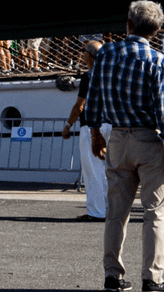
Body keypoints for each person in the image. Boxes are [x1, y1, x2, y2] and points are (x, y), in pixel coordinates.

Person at [84, 0, 164, 292]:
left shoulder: (107, 53)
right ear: (157, 30)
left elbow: (94, 96)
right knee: (154, 211)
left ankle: (112, 276)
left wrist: (95, 134)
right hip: (149, 139)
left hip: (117, 138)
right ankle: (152, 279)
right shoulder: (157, 59)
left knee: (116, 211)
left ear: (128, 23)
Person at [62, 40, 110, 220]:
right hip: (112, 125)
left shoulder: (88, 76)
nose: (82, 55)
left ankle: (97, 212)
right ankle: (109, 209)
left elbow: (79, 107)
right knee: (107, 170)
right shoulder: (110, 74)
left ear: (89, 56)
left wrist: (68, 125)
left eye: (83, 52)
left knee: (92, 170)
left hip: (92, 127)